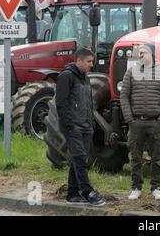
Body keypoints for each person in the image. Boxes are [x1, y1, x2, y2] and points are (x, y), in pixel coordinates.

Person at [120, 43, 160, 200]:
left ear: (152, 54)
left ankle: (156, 187)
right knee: (135, 157)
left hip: (155, 122)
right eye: (139, 53)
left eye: (143, 52)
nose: (141, 55)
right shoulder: (131, 72)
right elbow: (124, 96)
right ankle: (136, 187)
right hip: (136, 122)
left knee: (157, 157)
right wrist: (129, 119)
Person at [56, 47, 106, 207]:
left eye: (92, 61)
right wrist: (69, 125)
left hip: (86, 126)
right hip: (73, 127)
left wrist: (91, 123)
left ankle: (72, 193)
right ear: (78, 60)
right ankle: (87, 191)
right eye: (88, 61)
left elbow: (88, 102)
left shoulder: (85, 78)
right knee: (79, 158)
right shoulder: (66, 76)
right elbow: (61, 103)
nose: (91, 65)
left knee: (79, 159)